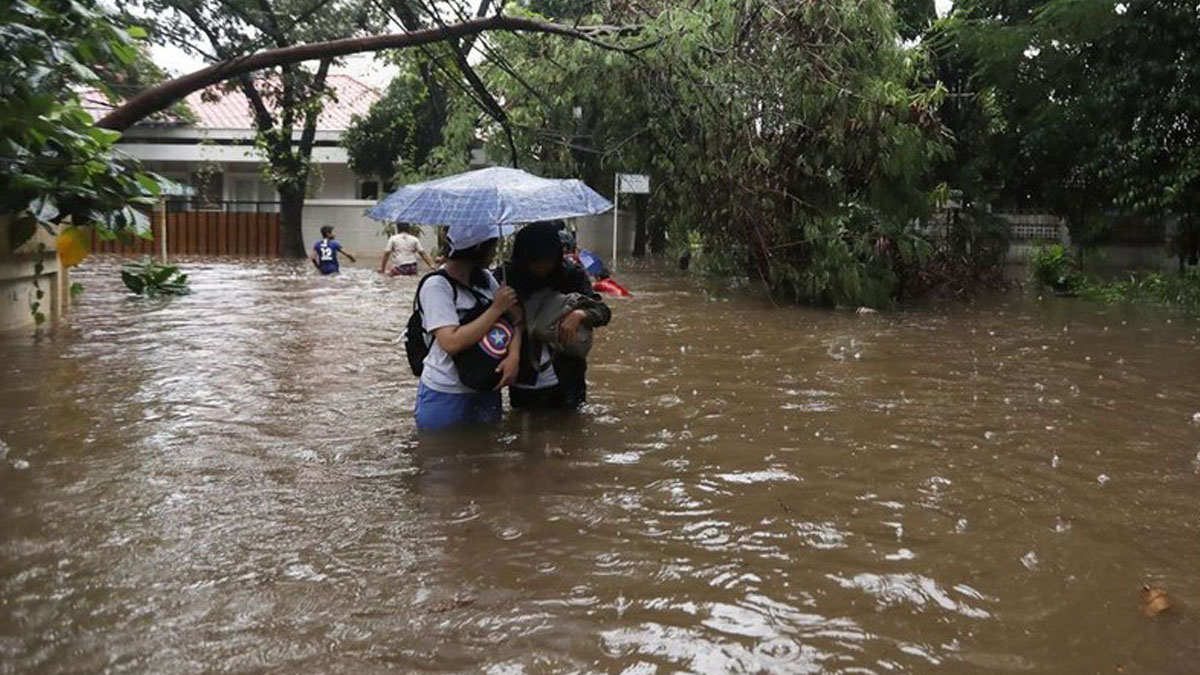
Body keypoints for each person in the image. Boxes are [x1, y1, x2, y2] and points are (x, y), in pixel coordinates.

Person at [496, 221, 611, 410]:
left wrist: (580, 314)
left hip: (567, 375)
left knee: (570, 434)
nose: (543, 270)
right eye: (537, 264)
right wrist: (505, 309)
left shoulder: (572, 275)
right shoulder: (506, 278)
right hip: (523, 377)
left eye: (548, 263)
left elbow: (603, 311)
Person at [415, 233, 522, 431]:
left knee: (486, 453)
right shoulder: (436, 286)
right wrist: (496, 308)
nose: (493, 253)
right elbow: (451, 343)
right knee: (440, 455)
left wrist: (514, 356)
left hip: (486, 384)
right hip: (445, 391)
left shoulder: (486, 279)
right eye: (491, 246)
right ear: (478, 248)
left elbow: (515, 321)